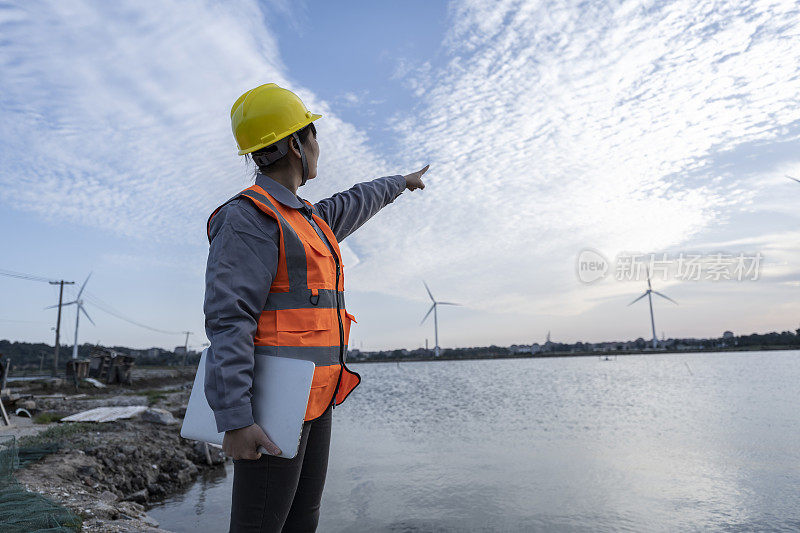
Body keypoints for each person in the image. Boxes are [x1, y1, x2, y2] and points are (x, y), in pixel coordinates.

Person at [203, 83, 428, 532]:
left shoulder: (309, 219)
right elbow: (229, 321)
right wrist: (235, 419)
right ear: (295, 144)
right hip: (273, 405)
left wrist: (400, 183)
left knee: (303, 521)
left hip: (317, 397)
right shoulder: (248, 219)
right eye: (314, 137)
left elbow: (356, 200)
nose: (318, 147)